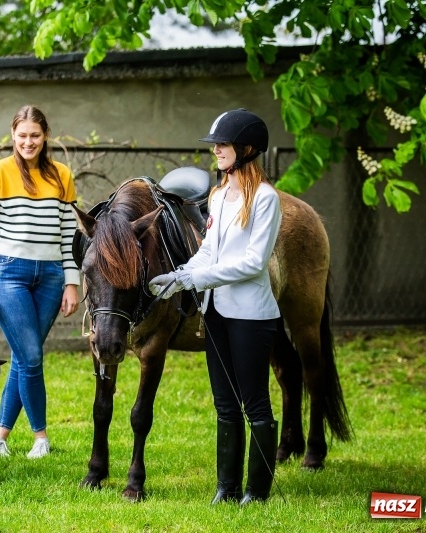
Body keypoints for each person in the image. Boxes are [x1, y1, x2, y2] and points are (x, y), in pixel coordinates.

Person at [149, 109, 281, 505]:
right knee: (224, 404)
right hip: (217, 312)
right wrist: (179, 275)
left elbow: (253, 263)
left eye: (223, 144)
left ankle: (257, 492)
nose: (217, 151)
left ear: (247, 148)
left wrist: (195, 279)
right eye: (216, 145)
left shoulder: (266, 198)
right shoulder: (220, 195)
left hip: (252, 316)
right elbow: (210, 251)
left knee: (254, 401)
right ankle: (227, 488)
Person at [0, 105, 80, 459]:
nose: (28, 142)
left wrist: (71, 282)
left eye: (35, 135)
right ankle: (40, 438)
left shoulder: (62, 175)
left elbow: (69, 235)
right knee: (32, 355)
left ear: (45, 136)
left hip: (51, 276)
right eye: (22, 135)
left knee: (23, 357)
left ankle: (0, 438)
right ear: (13, 135)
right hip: (8, 274)